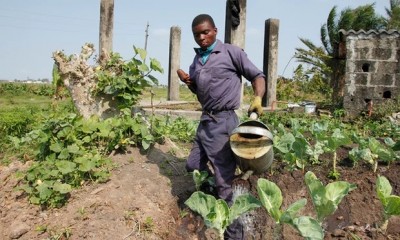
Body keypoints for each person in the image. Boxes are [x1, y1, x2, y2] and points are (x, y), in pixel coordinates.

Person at [177, 14, 266, 240]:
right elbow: (201, 93)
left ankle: (234, 235)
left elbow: (257, 75)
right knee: (193, 164)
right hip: (206, 121)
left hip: (224, 122)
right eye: (197, 34)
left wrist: (257, 98)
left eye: (205, 32)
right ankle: (214, 203)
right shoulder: (196, 61)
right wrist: (190, 84)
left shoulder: (231, 52)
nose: (201, 37)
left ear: (215, 31)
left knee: (224, 182)